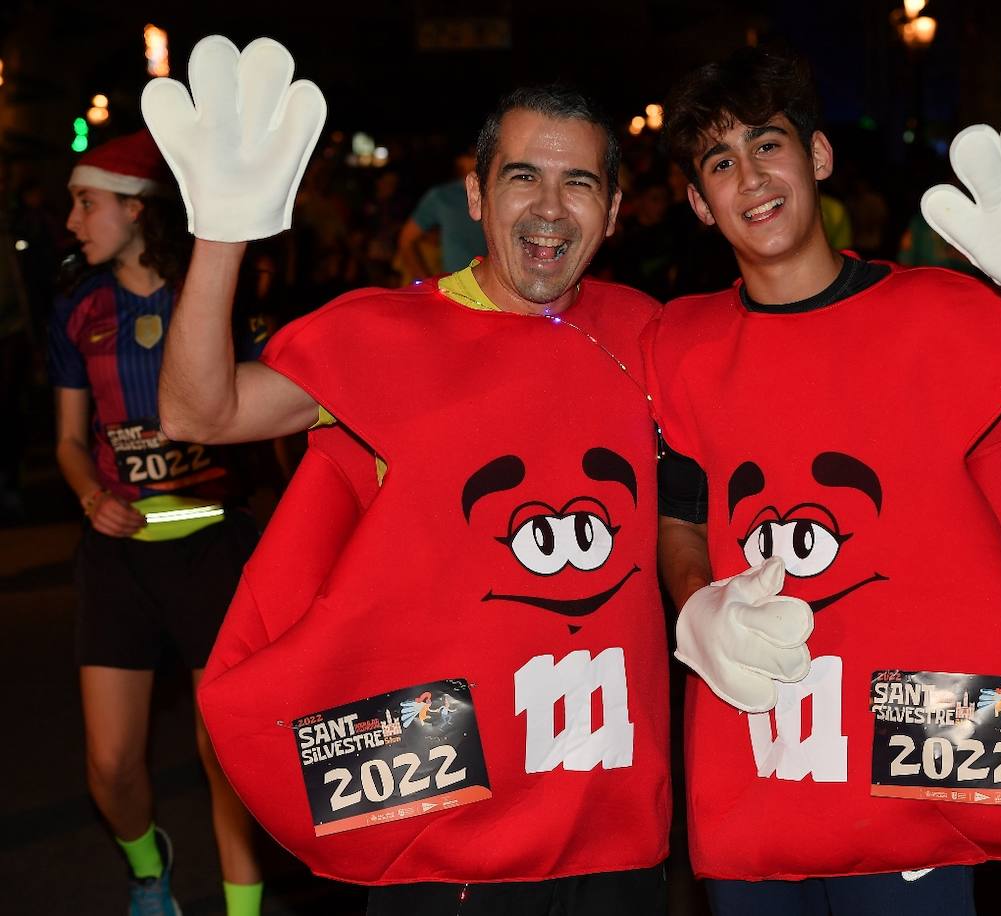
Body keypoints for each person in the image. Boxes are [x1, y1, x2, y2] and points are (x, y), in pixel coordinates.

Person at [142, 35, 668, 916]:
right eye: (520, 177)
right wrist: (222, 235)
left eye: (578, 182)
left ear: (615, 210)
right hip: (446, 839)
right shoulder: (385, 335)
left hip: (615, 836)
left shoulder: (653, 335)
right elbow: (200, 414)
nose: (549, 207)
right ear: (475, 194)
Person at [648, 47, 1001, 915]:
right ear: (699, 203)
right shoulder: (681, 343)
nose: (750, 178)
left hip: (920, 743)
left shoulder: (941, 311)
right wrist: (698, 604)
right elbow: (681, 518)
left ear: (819, 158)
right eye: (720, 163)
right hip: (762, 745)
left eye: (768, 146)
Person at [48, 129, 263, 916]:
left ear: (137, 209)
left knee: (227, 753)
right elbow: (72, 442)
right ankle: (150, 871)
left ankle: (245, 909)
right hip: (118, 548)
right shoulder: (77, 309)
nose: (73, 221)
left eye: (86, 202)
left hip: (213, 543)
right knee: (109, 764)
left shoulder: (205, 295)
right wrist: (86, 495)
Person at [396, 147, 487, 280]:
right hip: (455, 290)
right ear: (461, 161)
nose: (480, 161)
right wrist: (424, 283)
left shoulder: (502, 195)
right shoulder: (442, 197)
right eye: (473, 155)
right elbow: (406, 239)